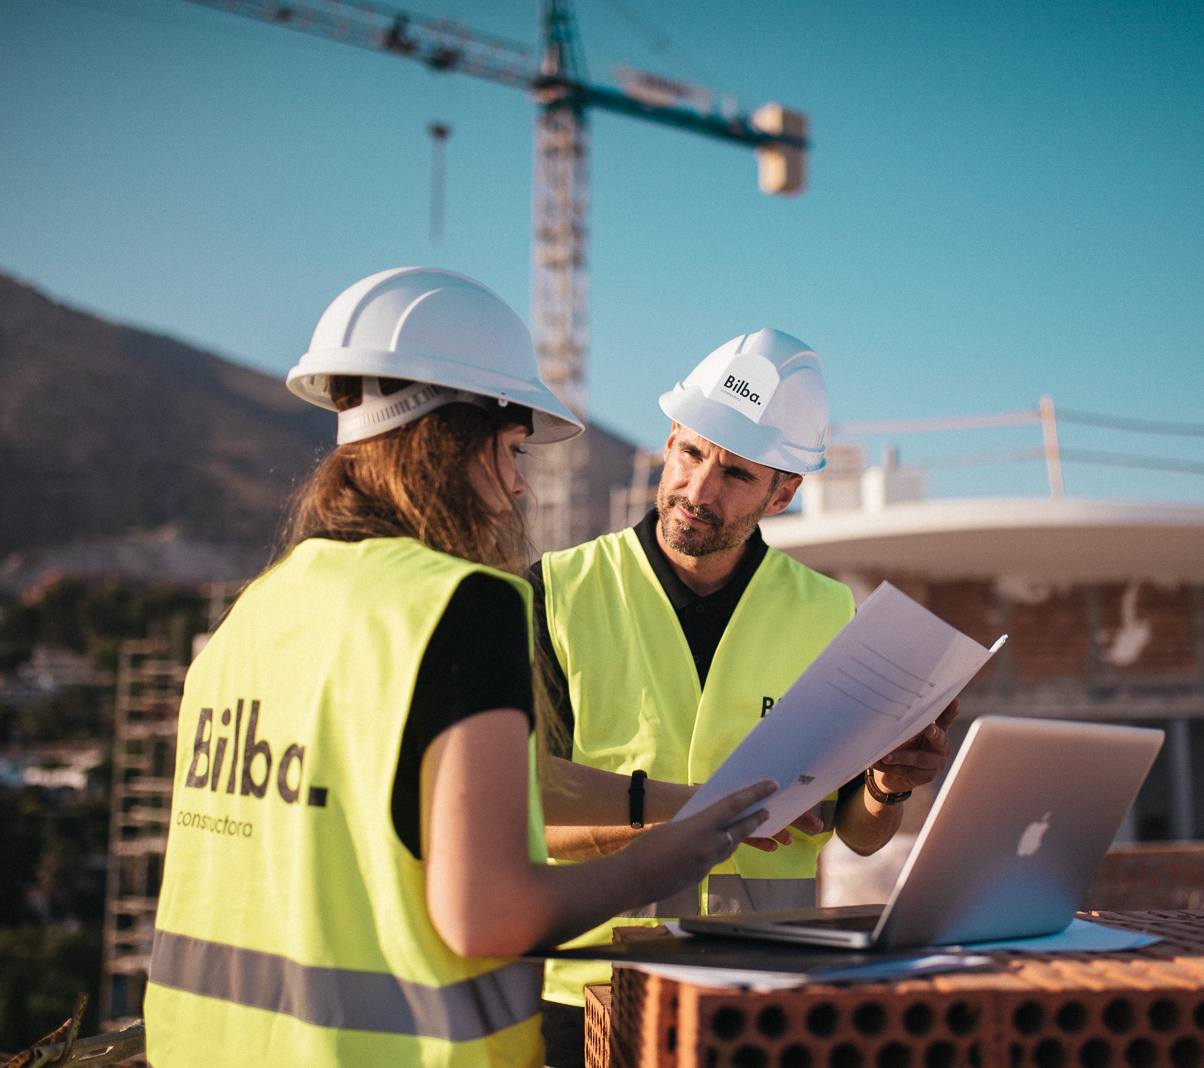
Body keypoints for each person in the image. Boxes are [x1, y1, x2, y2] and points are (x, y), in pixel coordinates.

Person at [144, 267, 780, 1067]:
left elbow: (424, 788)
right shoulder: (462, 605)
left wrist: (664, 803)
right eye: (512, 448)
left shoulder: (256, 613)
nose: (518, 484)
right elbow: (487, 917)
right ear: (448, 439)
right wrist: (661, 861)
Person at [530, 328, 961, 1063]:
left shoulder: (827, 614)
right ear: (669, 441)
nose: (698, 490)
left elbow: (853, 831)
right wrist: (691, 812)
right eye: (691, 454)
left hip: (763, 989)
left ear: (784, 491)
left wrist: (886, 788)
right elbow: (525, 816)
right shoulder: (556, 591)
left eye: (734, 473)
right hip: (591, 992)